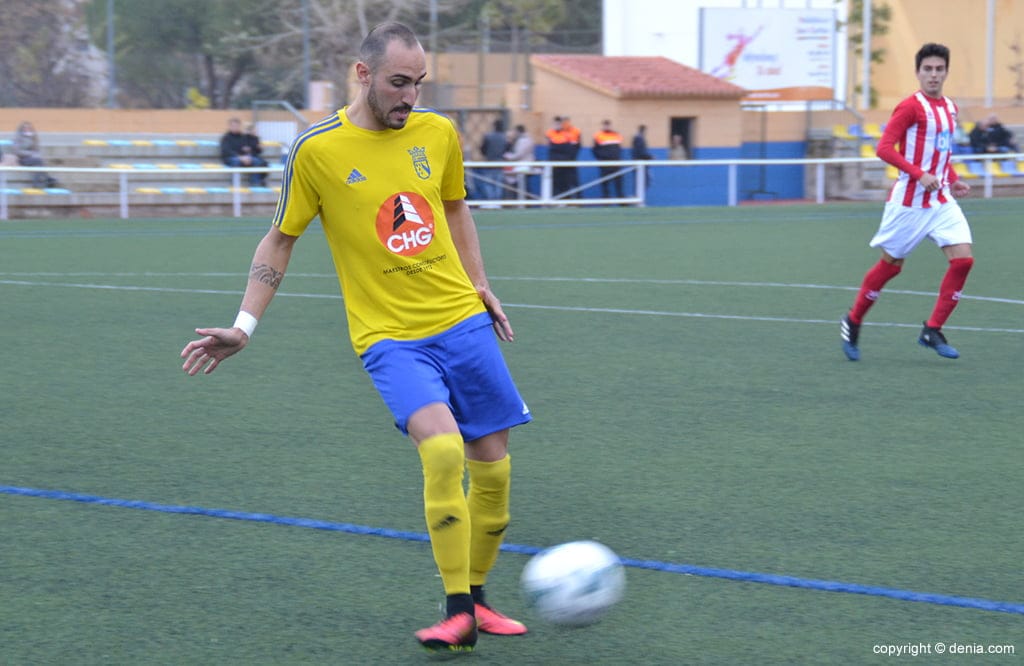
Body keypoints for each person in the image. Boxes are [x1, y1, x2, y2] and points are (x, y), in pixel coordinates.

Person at [180, 22, 530, 655]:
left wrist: (481, 285)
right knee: (444, 453)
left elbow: (454, 208)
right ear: (363, 74)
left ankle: (479, 599)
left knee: (495, 476)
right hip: (390, 337)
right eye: (399, 83)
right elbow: (279, 240)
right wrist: (243, 324)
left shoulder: (438, 134)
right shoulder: (316, 150)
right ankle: (455, 612)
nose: (410, 98)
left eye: (419, 84)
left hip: (461, 321)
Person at [840, 43, 974, 361]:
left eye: (939, 69)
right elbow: (884, 148)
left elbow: (942, 152)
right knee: (891, 266)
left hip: (940, 200)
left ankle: (932, 330)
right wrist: (918, 174)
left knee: (964, 260)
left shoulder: (950, 108)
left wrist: (952, 178)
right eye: (927, 69)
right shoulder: (910, 107)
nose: (933, 74)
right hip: (909, 203)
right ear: (918, 72)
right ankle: (853, 319)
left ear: (946, 72)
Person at [220, 117, 269, 186]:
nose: (235, 127)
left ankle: (255, 183)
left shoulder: (243, 137)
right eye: (233, 126)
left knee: (257, 161)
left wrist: (248, 156)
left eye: (236, 126)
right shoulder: (226, 138)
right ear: (230, 126)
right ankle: (236, 184)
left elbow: (252, 149)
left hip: (245, 158)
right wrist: (240, 157)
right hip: (231, 158)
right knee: (236, 161)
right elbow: (226, 151)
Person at [13, 121, 58, 188]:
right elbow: (17, 151)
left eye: (28, 128)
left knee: (38, 164)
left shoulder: (34, 137)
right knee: (39, 161)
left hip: (33, 159)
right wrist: (30, 153)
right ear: (22, 129)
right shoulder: (18, 138)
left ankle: (37, 183)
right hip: (22, 159)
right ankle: (47, 179)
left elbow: (37, 150)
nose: (27, 129)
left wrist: (35, 152)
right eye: (25, 128)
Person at [545, 115, 580, 199]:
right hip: (555, 164)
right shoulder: (549, 133)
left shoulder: (567, 134)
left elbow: (570, 149)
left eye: (559, 124)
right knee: (554, 183)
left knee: (566, 183)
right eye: (555, 124)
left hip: (565, 164)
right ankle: (555, 201)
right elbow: (550, 149)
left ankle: (567, 201)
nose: (557, 125)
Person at [591, 119, 624, 200]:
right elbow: (595, 150)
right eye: (605, 125)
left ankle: (622, 201)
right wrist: (601, 159)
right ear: (603, 126)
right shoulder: (598, 135)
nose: (607, 126)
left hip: (616, 163)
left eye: (608, 125)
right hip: (605, 164)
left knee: (618, 182)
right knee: (605, 182)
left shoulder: (616, 135)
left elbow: (619, 148)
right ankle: (606, 200)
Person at [502, 124, 536, 200]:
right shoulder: (528, 139)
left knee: (521, 185)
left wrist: (508, 156)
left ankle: (524, 200)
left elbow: (519, 154)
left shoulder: (523, 140)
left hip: (523, 165)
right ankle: (524, 200)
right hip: (525, 164)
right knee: (524, 184)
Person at [478, 118, 508, 203]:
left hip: (489, 162)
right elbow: (506, 149)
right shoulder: (504, 137)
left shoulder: (488, 136)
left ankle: (490, 201)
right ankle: (497, 202)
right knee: (498, 184)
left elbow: (483, 149)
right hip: (500, 163)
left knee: (488, 183)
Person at [631, 124, 654, 191]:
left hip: (640, 163)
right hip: (641, 163)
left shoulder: (638, 139)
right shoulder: (639, 139)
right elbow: (641, 152)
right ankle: (637, 197)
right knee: (643, 181)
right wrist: (650, 157)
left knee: (641, 181)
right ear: (644, 131)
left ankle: (638, 197)